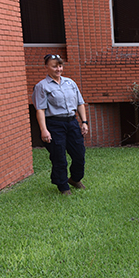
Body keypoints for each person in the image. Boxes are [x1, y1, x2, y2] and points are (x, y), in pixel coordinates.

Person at [33, 54, 88, 195]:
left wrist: (84, 122)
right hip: (54, 124)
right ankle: (63, 186)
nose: (58, 69)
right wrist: (44, 130)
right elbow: (40, 109)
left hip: (72, 122)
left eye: (60, 66)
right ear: (46, 67)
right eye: (54, 66)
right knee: (59, 157)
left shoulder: (70, 83)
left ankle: (75, 179)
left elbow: (80, 103)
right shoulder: (41, 86)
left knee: (79, 154)